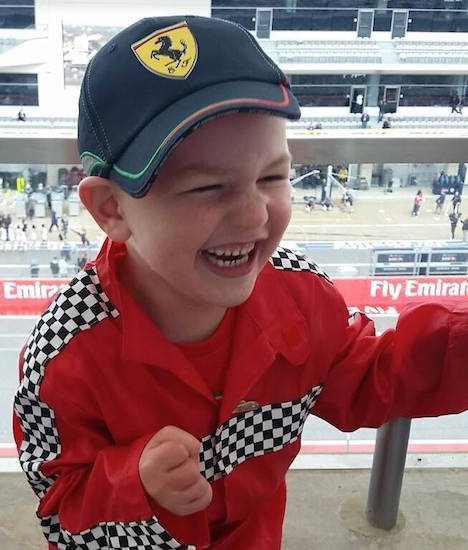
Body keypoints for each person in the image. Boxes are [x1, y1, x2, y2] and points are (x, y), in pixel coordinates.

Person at [12, 16, 468, 550]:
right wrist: (131, 480)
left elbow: (370, 378)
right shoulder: (64, 354)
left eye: (273, 177)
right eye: (209, 186)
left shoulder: (300, 298)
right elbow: (57, 502)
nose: (254, 216)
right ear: (111, 209)